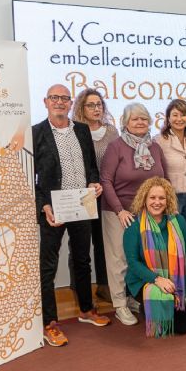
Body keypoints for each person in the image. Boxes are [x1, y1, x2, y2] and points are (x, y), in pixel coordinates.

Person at [33, 84, 110, 347]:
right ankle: (49, 323)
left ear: (69, 103)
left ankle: (87, 310)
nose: (59, 102)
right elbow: (32, 178)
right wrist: (43, 206)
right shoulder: (36, 134)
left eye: (64, 98)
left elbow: (91, 167)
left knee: (82, 260)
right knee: (48, 266)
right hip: (53, 209)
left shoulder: (81, 130)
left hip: (81, 204)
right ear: (45, 101)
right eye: (54, 98)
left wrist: (94, 183)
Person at [101, 102, 167, 326]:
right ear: (125, 123)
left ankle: (131, 298)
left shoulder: (155, 147)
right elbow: (106, 181)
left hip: (146, 213)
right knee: (119, 259)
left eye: (143, 118)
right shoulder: (116, 147)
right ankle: (119, 304)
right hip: (118, 212)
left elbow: (162, 179)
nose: (140, 122)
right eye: (134, 119)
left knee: (140, 258)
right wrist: (119, 210)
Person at [123, 177, 186, 337]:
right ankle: (144, 304)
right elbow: (133, 263)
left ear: (167, 200)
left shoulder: (179, 221)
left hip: (175, 279)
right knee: (162, 310)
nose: (157, 202)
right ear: (144, 199)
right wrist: (157, 279)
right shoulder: (134, 226)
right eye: (152, 197)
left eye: (161, 198)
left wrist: (183, 287)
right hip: (145, 279)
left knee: (182, 327)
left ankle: (161, 302)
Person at [69, 88, 119, 302]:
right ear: (81, 107)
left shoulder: (112, 132)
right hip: (82, 194)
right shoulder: (74, 131)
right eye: (91, 105)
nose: (96, 108)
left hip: (106, 193)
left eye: (99, 104)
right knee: (79, 242)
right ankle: (77, 285)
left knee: (102, 242)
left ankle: (104, 284)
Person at [155, 99, 186, 234]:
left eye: (183, 115)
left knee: (185, 235)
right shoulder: (159, 140)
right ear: (168, 118)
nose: (179, 119)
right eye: (175, 115)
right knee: (171, 238)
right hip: (170, 196)